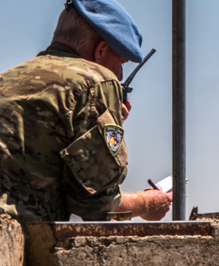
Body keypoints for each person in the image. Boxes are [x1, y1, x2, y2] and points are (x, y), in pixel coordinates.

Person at [0, 0, 172, 224]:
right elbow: (96, 205)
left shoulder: (7, 79)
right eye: (121, 61)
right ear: (100, 50)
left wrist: (103, 124)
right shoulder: (98, 81)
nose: (120, 74)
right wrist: (147, 204)